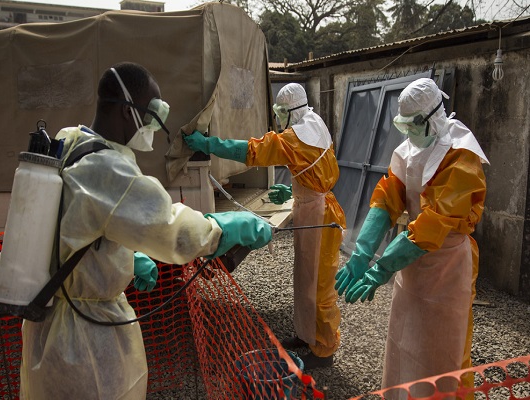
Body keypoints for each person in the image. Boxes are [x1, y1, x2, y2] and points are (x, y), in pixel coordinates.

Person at [19, 62, 272, 400]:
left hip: (46, 324)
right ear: (127, 111)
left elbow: (78, 223)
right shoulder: (107, 169)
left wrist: (124, 255)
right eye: (152, 111)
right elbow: (170, 228)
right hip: (82, 341)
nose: (156, 124)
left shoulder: (71, 142)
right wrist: (223, 229)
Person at [335, 78, 488, 392]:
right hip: (411, 261)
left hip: (446, 266)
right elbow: (386, 198)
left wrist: (382, 267)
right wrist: (362, 253)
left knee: (442, 353)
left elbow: (434, 222)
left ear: (432, 118)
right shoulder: (409, 150)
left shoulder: (461, 156)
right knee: (405, 343)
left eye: (413, 126)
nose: (409, 134)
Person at [183, 83, 346, 370]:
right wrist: (297, 189)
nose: (279, 117)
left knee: (319, 284)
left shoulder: (295, 139)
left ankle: (324, 351)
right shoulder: (314, 122)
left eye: (281, 112)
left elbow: (250, 151)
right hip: (317, 205)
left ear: (291, 110)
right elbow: (315, 167)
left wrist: (208, 145)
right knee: (306, 277)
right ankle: (308, 336)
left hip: (319, 216)